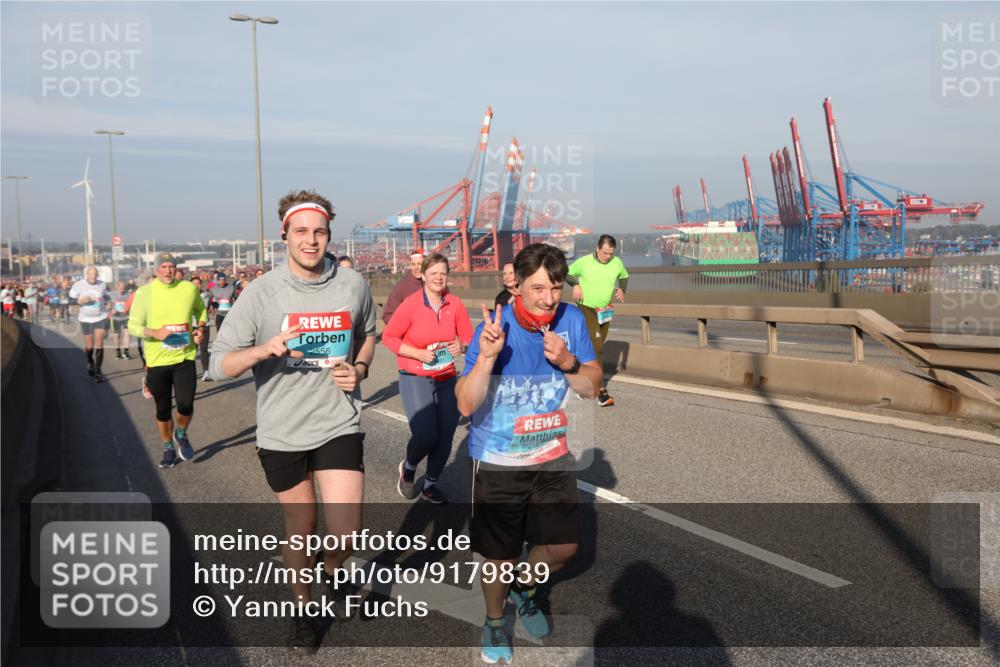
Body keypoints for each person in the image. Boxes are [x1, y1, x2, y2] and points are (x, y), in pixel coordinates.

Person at [210, 190, 376, 655]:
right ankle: (303, 609)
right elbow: (218, 364)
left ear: (329, 235)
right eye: (301, 231)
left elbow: (367, 335)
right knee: (300, 526)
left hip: (338, 420)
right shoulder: (261, 293)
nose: (311, 240)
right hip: (282, 429)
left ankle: (329, 572)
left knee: (347, 532)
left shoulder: (352, 284)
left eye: (319, 231)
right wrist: (264, 350)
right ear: (283, 235)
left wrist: (359, 369)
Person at [455, 243, 601, 663]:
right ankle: (496, 619)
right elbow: (465, 404)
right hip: (498, 460)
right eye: (537, 288)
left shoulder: (572, 320)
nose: (547, 299)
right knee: (498, 555)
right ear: (517, 286)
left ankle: (527, 586)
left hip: (551, 455)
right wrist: (485, 360)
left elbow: (593, 389)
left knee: (563, 550)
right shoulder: (495, 328)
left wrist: (569, 362)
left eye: (555, 287)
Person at [381, 253, 473, 504]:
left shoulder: (454, 304)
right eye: (433, 273)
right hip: (415, 377)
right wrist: (417, 352)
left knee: (445, 436)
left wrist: (461, 346)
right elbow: (389, 337)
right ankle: (409, 468)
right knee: (425, 435)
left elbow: (468, 337)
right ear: (422, 275)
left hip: (446, 378)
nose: (438, 278)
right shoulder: (410, 304)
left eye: (443, 273)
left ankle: (431, 484)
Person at [127, 253, 207, 468]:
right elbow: (132, 326)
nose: (168, 270)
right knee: (162, 409)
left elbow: (201, 310)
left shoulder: (188, 289)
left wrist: (200, 328)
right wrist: (155, 332)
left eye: (171, 266)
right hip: (157, 360)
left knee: (185, 404)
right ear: (155, 270)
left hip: (184, 356)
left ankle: (181, 434)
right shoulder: (144, 293)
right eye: (163, 266)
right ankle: (168, 448)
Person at [566, 234, 629, 407]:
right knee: (598, 346)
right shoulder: (584, 262)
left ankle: (580, 381)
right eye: (604, 253)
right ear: (597, 248)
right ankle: (601, 390)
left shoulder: (616, 262)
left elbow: (624, 275)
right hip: (587, 308)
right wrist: (576, 285)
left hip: (605, 310)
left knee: (593, 346)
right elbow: (568, 273)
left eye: (610, 253)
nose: (607, 257)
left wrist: (622, 289)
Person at [69, 267, 111, 382]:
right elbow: (70, 300)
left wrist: (108, 303)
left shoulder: (102, 284)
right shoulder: (78, 285)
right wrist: (80, 301)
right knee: (89, 345)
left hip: (100, 317)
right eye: (91, 274)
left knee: (99, 343)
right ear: (86, 274)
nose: (93, 276)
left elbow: (107, 296)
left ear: (97, 275)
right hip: (85, 318)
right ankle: (90, 362)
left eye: (95, 274)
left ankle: (98, 372)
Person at [206, 272, 236, 382]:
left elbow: (236, 298)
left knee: (231, 332)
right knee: (220, 332)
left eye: (223, 280)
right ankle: (222, 349)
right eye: (220, 280)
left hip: (230, 313)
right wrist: (212, 307)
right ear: (217, 280)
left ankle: (231, 348)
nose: (222, 282)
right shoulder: (213, 289)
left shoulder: (231, 288)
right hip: (219, 313)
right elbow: (210, 300)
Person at [381, 251, 424, 325]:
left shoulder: (434, 285)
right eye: (413, 264)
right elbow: (388, 315)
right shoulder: (401, 287)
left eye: (419, 264)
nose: (416, 267)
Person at [191, 276, 211, 378]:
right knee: (191, 351)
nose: (196, 285)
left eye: (198, 283)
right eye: (194, 283)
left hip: (204, 325)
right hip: (191, 326)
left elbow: (202, 307)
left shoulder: (205, 295)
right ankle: (190, 372)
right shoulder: (186, 296)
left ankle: (206, 371)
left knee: (204, 349)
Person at [109, 280, 133, 359]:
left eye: (123, 288)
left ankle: (126, 352)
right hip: (116, 317)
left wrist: (128, 308)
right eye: (120, 288)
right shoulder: (112, 294)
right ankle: (118, 351)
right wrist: (111, 309)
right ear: (116, 287)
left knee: (127, 333)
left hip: (126, 317)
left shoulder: (128, 294)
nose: (122, 290)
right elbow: (107, 304)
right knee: (117, 335)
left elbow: (132, 304)